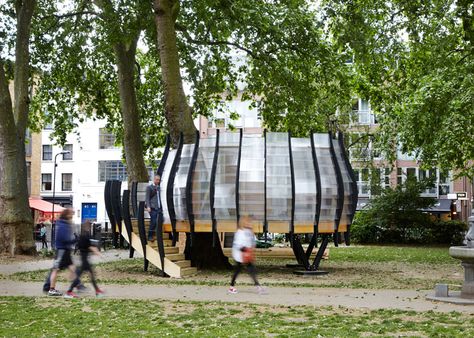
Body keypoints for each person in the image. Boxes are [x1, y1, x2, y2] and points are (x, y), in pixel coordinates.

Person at [64, 222, 104, 298]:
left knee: (91, 276)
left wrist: (95, 251)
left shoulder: (83, 236)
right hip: (84, 261)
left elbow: (85, 246)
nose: (90, 227)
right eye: (89, 225)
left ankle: (97, 291)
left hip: (84, 260)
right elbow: (89, 246)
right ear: (86, 226)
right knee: (81, 277)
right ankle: (69, 291)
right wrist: (97, 253)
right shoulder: (84, 236)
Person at [228, 215, 265, 294]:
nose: (249, 223)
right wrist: (246, 250)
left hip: (247, 254)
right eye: (247, 222)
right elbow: (237, 244)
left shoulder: (249, 232)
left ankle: (258, 286)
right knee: (237, 270)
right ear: (243, 223)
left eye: (249, 222)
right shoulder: (239, 232)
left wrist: (251, 249)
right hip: (240, 254)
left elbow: (253, 241)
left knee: (252, 270)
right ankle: (231, 287)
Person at [47, 208, 77, 297]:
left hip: (65, 251)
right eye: (71, 214)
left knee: (73, 269)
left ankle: (72, 288)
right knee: (56, 270)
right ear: (67, 215)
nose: (72, 216)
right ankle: (51, 289)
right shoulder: (63, 225)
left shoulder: (65, 224)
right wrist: (74, 240)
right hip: (62, 251)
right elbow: (63, 239)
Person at [145, 175, 164, 241]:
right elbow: (147, 198)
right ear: (154, 179)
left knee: (160, 221)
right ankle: (150, 236)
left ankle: (157, 235)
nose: (157, 181)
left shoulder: (159, 188)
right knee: (153, 221)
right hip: (152, 207)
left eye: (159, 180)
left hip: (159, 207)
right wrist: (148, 206)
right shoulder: (149, 187)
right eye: (156, 180)